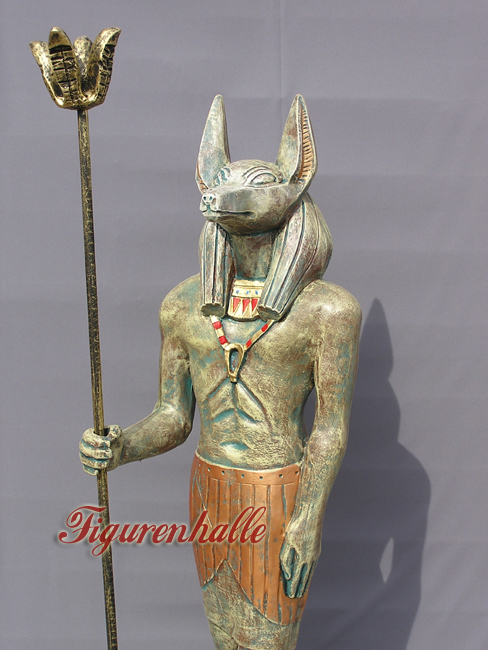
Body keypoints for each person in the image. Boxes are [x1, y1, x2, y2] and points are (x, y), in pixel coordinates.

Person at [79, 94, 361, 650]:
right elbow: (174, 415)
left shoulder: (327, 311)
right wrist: (123, 446)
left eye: (253, 185)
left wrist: (307, 518)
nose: (228, 196)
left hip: (276, 489)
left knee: (269, 639)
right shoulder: (183, 306)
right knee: (226, 635)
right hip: (210, 486)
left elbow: (329, 428)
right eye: (221, 184)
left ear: (293, 189)